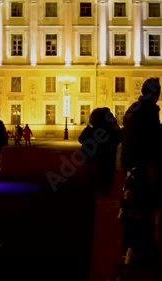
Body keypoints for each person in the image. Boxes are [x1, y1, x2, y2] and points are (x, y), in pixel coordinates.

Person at [120, 77, 162, 266]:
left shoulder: (133, 109)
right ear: (156, 95)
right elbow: (151, 142)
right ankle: (142, 252)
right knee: (145, 208)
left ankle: (131, 249)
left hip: (132, 165)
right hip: (145, 166)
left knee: (135, 207)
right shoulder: (149, 111)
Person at [78, 107, 121, 197]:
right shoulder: (111, 130)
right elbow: (118, 138)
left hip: (94, 166)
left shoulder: (93, 130)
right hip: (105, 165)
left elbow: (82, 139)